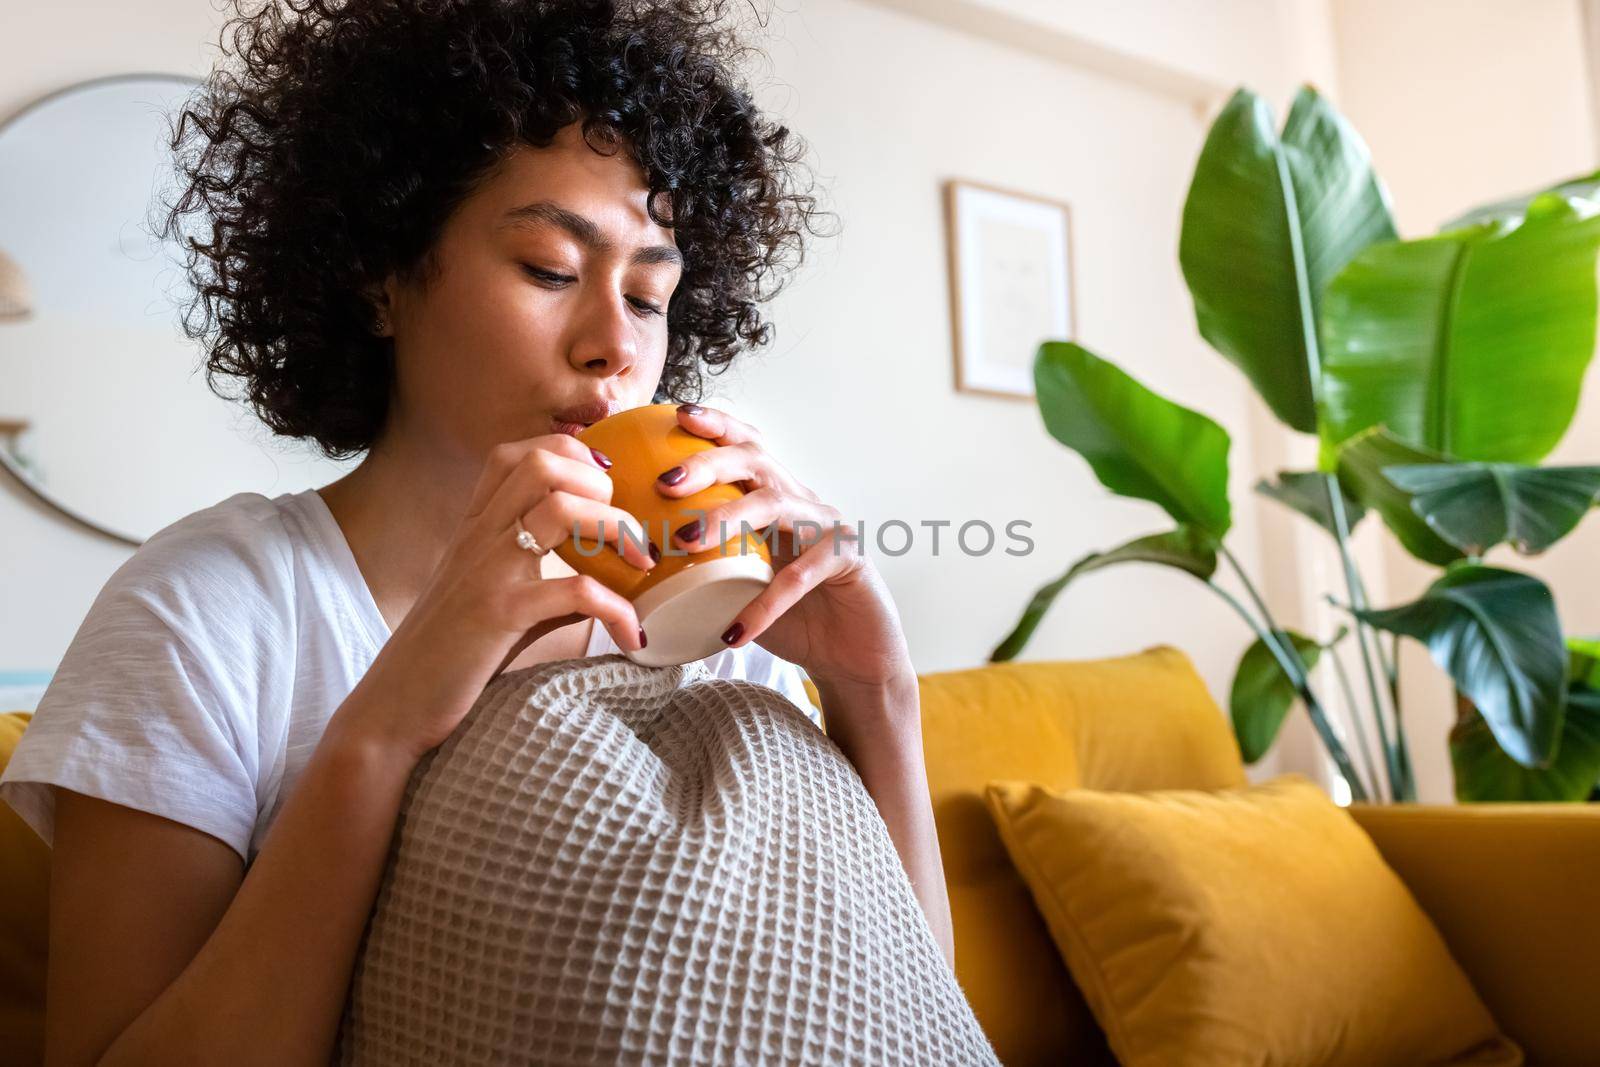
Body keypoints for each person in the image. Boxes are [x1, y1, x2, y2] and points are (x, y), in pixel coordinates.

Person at [0, 1, 954, 1063]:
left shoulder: (731, 642)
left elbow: (907, 1022)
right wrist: (385, 726)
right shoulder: (213, 608)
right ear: (378, 277)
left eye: (648, 294)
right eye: (550, 269)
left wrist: (877, 697)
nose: (613, 346)